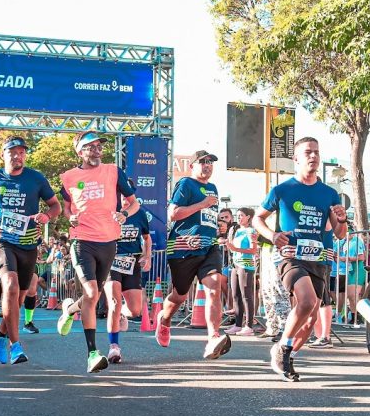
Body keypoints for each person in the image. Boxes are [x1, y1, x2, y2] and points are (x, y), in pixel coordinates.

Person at [254, 137, 347, 381]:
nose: (313, 156)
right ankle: (284, 348)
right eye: (307, 152)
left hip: (319, 260)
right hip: (291, 257)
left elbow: (339, 233)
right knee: (306, 302)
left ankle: (286, 355)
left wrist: (343, 218)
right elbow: (257, 219)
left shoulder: (329, 193)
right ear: (296, 159)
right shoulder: (282, 190)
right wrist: (273, 235)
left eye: (316, 152)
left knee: (310, 320)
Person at [0, 137, 60, 365]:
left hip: (28, 242)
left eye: (21, 152)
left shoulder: (36, 178)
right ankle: (15, 345)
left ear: (25, 156)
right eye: (12, 152)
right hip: (1, 240)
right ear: (3, 155)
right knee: (9, 284)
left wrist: (47, 216)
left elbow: (55, 205)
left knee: (18, 298)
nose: (17, 156)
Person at [56, 131, 140, 373]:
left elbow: (134, 202)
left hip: (109, 242)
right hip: (83, 241)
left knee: (92, 298)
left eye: (98, 147)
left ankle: (71, 309)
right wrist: (69, 217)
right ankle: (92, 353)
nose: (96, 151)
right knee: (92, 292)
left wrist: (124, 214)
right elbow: (66, 206)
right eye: (90, 147)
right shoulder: (69, 177)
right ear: (80, 152)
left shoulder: (114, 171)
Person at [156, 150, 231, 359]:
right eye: (203, 162)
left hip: (209, 247)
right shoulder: (186, 184)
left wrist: (218, 226)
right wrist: (202, 204)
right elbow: (173, 214)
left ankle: (213, 338)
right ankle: (165, 319)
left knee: (214, 286)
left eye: (211, 162)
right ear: (193, 166)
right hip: (183, 247)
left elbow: (205, 217)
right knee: (179, 296)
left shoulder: (213, 189)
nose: (207, 165)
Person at [103, 188, 152, 363]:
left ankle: (120, 314)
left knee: (135, 310)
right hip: (112, 262)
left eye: (128, 196)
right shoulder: (109, 212)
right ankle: (114, 347)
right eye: (122, 196)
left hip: (132, 263)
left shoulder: (140, 213)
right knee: (115, 303)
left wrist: (147, 256)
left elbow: (146, 238)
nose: (125, 199)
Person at [224, 207, 258, 337]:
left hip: (246, 265)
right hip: (235, 265)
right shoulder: (237, 231)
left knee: (246, 296)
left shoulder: (251, 231)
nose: (239, 218)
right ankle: (237, 325)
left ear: (248, 217)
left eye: (241, 215)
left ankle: (248, 326)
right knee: (236, 295)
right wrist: (229, 244)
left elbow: (253, 250)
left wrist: (234, 248)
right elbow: (233, 249)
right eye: (237, 216)